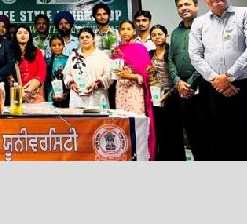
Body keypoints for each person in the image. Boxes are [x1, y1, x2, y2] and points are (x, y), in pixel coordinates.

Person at [189, 0, 247, 160]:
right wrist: (217, 80)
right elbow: (195, 55)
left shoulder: (246, 14)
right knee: (218, 141)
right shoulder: (199, 23)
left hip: (245, 87)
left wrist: (229, 76)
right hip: (214, 89)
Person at [168, 0, 205, 160]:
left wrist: (190, 84)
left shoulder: (205, 28)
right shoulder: (175, 33)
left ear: (196, 6)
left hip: (202, 90)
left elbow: (207, 58)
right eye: (180, 6)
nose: (183, 8)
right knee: (190, 134)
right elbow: (170, 59)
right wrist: (178, 82)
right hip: (181, 91)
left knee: (205, 134)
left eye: (187, 4)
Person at [112, 20, 157, 160]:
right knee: (123, 123)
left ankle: (140, 156)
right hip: (121, 91)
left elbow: (146, 76)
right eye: (123, 29)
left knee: (137, 123)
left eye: (128, 29)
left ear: (133, 31)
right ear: (119, 32)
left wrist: (130, 76)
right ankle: (125, 155)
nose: (125, 32)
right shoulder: (117, 50)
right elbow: (113, 73)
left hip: (135, 91)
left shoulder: (140, 49)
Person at [149, 25, 185, 160]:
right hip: (156, 97)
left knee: (174, 131)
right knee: (160, 131)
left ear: (166, 35)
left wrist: (168, 94)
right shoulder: (149, 54)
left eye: (160, 34)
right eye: (154, 35)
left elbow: (178, 74)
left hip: (172, 95)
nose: (157, 37)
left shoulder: (172, 52)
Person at [63, 28, 112, 108]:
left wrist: (97, 84)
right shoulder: (73, 56)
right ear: (79, 40)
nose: (84, 39)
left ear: (93, 39)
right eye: (82, 38)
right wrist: (71, 83)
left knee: (98, 115)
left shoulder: (102, 55)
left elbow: (109, 74)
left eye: (87, 37)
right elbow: (66, 74)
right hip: (77, 99)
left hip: (97, 98)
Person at [11, 25, 47, 103]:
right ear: (15, 36)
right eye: (19, 33)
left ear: (29, 36)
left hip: (34, 94)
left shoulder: (37, 52)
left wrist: (28, 90)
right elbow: (8, 75)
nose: (23, 35)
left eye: (25, 33)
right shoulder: (10, 53)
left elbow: (41, 73)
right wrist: (19, 91)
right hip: (16, 93)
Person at [44, 35, 70, 108]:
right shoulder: (47, 61)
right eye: (53, 45)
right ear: (50, 47)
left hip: (65, 95)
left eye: (59, 45)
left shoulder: (69, 60)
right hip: (51, 94)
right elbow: (45, 81)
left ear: (63, 45)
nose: (57, 47)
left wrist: (66, 93)